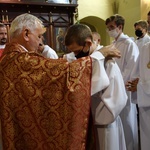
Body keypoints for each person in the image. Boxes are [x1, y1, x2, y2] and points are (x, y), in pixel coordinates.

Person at [0, 13, 120, 150]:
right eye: (39, 36)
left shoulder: (9, 59)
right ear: (26, 34)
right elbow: (63, 73)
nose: (40, 42)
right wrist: (100, 55)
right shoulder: (21, 61)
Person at [64, 24, 127, 150]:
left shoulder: (107, 62)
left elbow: (116, 100)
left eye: (76, 51)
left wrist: (90, 116)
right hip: (90, 124)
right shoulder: (90, 59)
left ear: (88, 43)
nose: (75, 55)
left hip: (104, 127)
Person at [105, 14, 139, 150]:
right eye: (108, 28)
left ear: (120, 27)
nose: (109, 30)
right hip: (114, 88)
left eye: (112, 27)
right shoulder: (113, 44)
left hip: (124, 88)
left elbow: (132, 67)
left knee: (127, 122)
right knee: (119, 123)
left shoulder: (129, 43)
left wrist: (120, 84)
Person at [126, 41, 150, 150]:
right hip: (146, 108)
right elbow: (136, 74)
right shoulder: (146, 47)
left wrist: (141, 87)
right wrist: (137, 83)